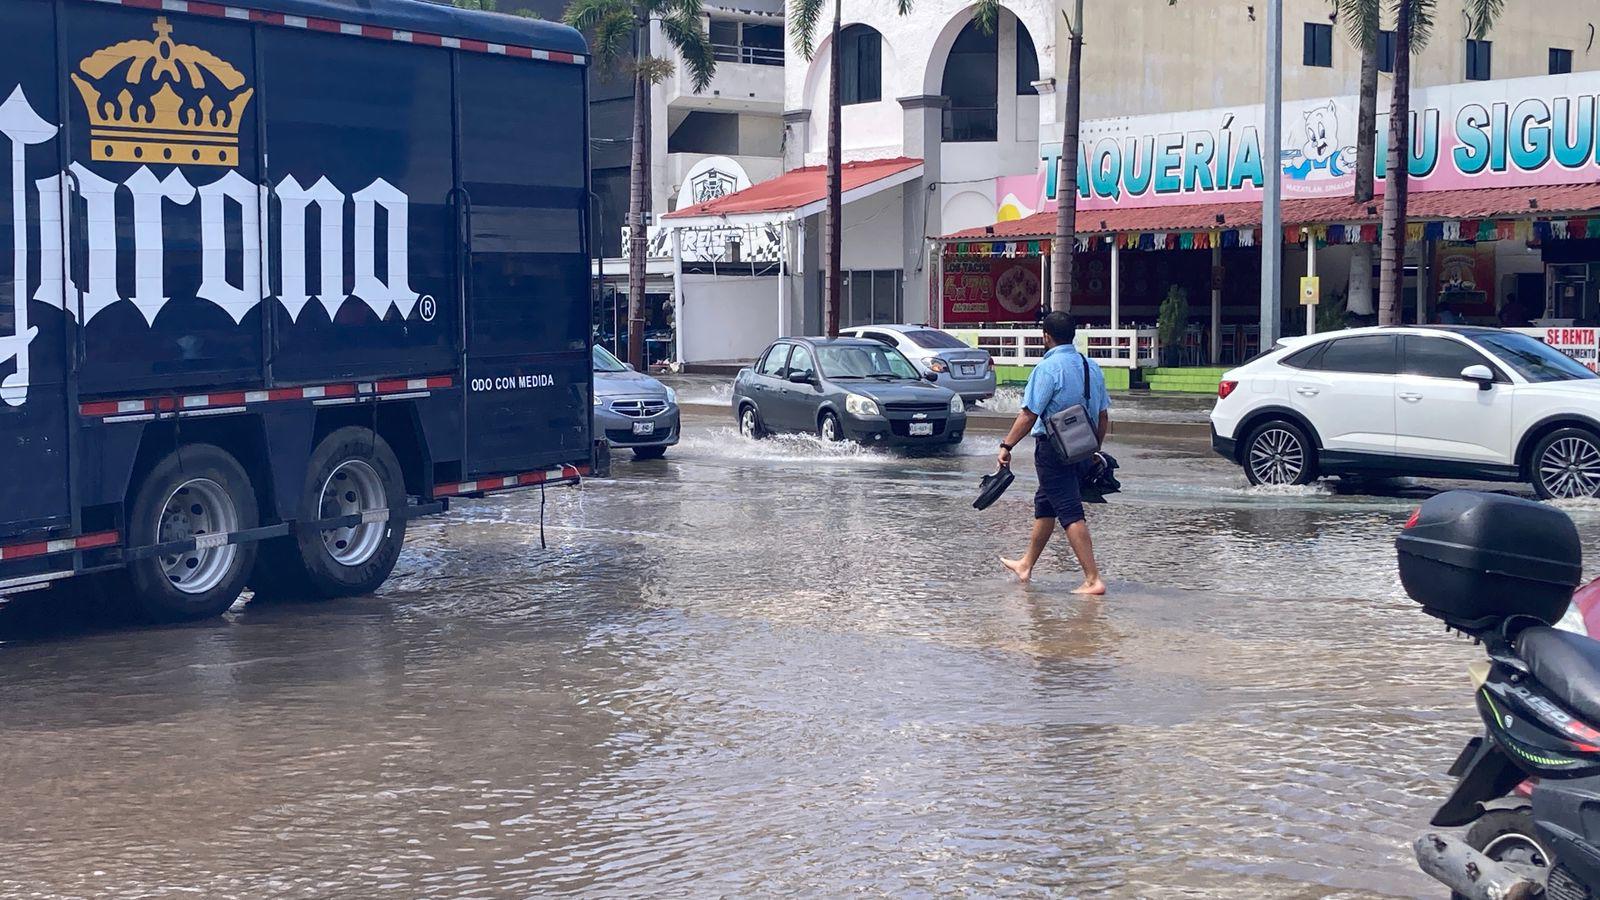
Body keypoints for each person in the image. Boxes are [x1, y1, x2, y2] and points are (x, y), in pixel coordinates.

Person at [997, 311, 1110, 593]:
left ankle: (1093, 579)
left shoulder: (1047, 369)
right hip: (1083, 447)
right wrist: (1094, 448)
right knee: (1046, 504)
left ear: (1046, 337)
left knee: (1070, 511)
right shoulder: (1091, 366)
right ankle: (1026, 564)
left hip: (1053, 449)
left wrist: (1006, 445)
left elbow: (1028, 415)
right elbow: (1103, 415)